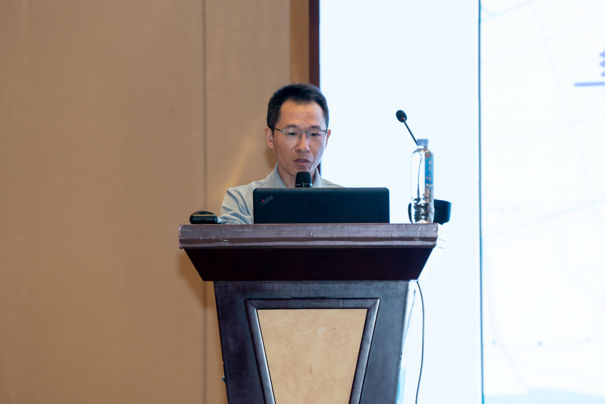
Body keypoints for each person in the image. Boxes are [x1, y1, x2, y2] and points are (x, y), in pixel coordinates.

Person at [220, 83, 342, 224]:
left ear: (326, 138)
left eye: (314, 134)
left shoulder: (346, 203)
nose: (303, 147)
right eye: (291, 133)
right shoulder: (243, 202)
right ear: (270, 137)